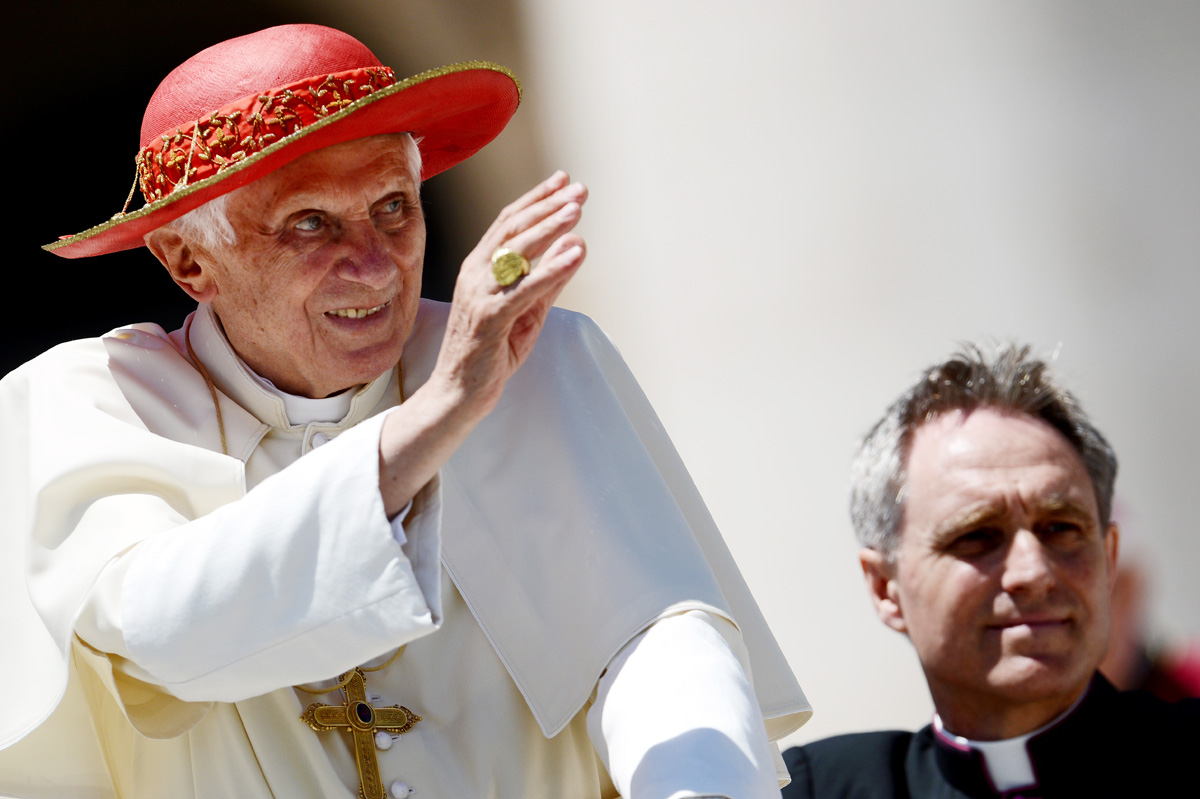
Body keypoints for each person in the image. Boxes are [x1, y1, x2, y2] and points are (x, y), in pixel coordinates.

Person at [0, 24, 811, 799]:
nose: (376, 263)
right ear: (188, 260)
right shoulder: (91, 399)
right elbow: (161, 635)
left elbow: (659, 634)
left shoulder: (534, 361)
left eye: (394, 206)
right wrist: (442, 413)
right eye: (311, 223)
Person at [782, 344, 1200, 799]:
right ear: (886, 588)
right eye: (977, 536)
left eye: (1061, 528)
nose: (1033, 571)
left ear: (1109, 559)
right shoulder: (813, 790)